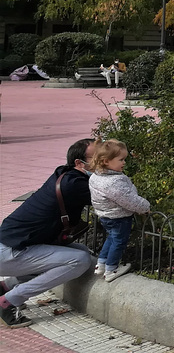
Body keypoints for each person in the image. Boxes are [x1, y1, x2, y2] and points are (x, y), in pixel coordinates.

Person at [0, 139, 95, 328]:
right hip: (9, 251)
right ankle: (9, 301)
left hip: (12, 245)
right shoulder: (75, 185)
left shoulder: (65, 175)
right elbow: (115, 198)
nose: (106, 160)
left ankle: (5, 287)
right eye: (99, 157)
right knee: (79, 260)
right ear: (79, 163)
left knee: (81, 251)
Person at [89, 139, 150, 282]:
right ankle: (111, 269)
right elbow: (129, 200)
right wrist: (145, 207)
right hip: (118, 217)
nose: (124, 163)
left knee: (111, 238)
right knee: (119, 242)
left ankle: (101, 264)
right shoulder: (113, 183)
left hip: (106, 215)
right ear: (106, 161)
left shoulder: (96, 176)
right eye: (121, 159)